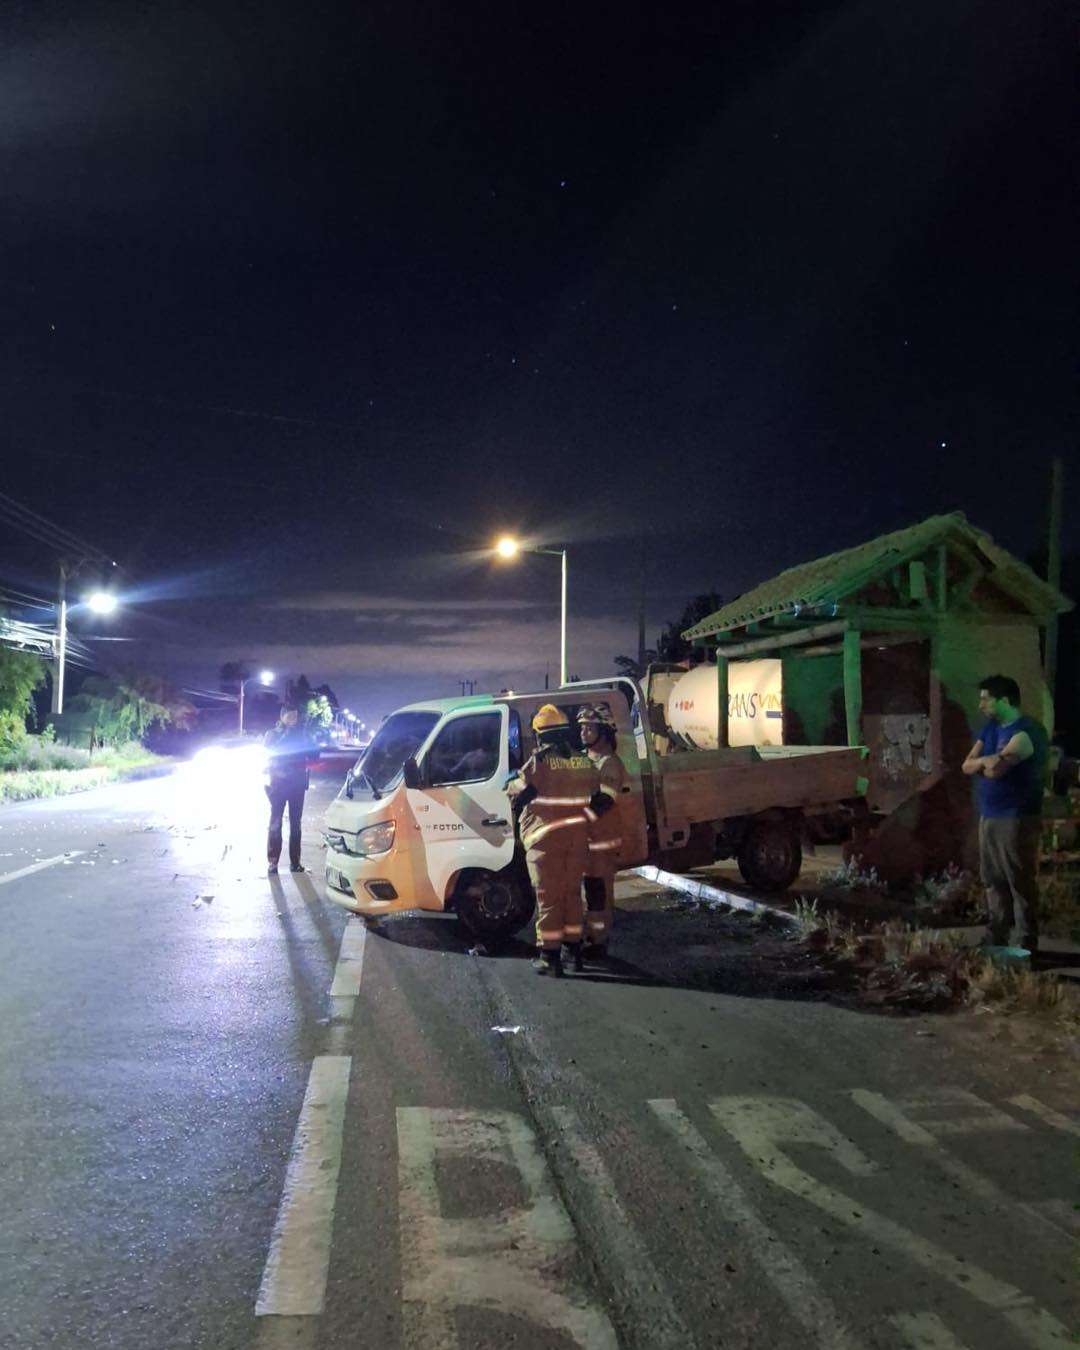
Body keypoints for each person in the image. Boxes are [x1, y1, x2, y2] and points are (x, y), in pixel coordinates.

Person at [506, 704, 599, 976]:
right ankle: (573, 952)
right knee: (572, 895)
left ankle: (549, 956)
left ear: (540, 736)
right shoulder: (584, 762)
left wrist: (512, 779)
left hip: (545, 839)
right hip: (577, 839)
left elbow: (518, 792)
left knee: (548, 898)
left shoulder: (539, 762)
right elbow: (595, 792)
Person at [961, 674, 1049, 953]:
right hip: (989, 814)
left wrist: (986, 763)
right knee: (992, 878)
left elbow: (996, 771)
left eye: (986, 699)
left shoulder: (1027, 731)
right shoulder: (990, 729)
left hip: (1017, 816)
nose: (981, 705)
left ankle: (1026, 939)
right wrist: (987, 761)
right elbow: (967, 765)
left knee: (1019, 878)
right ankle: (997, 933)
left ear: (1005, 700)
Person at [577, 703, 626, 960]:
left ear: (604, 731)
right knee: (589, 893)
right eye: (582, 727)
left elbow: (605, 802)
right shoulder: (587, 759)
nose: (583, 732)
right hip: (588, 841)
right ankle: (590, 937)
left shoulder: (610, 764)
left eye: (589, 727)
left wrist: (575, 820)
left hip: (602, 842)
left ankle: (598, 942)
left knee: (598, 894)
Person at [264, 705, 319, 875]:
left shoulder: (302, 734)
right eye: (289, 716)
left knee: (296, 825)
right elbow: (270, 750)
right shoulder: (272, 734)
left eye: (295, 717)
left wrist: (310, 740)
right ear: (282, 717)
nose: (293, 720)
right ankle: (273, 863)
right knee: (275, 823)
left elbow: (315, 756)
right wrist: (286, 735)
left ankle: (295, 862)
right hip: (278, 785)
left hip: (297, 785)